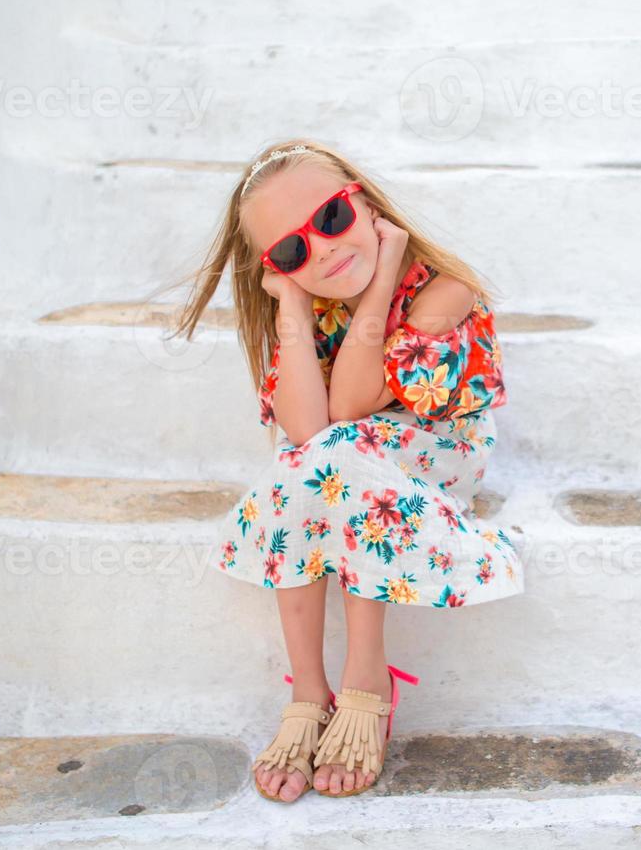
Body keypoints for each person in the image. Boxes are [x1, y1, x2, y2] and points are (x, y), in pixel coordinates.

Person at [172, 139, 522, 801]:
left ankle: (367, 678)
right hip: (342, 462)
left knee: (332, 455)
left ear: (362, 198)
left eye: (329, 219)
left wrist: (388, 267)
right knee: (308, 459)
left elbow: (356, 402)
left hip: (434, 455)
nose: (323, 249)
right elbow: (305, 428)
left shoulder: (445, 288)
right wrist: (294, 307)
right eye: (291, 250)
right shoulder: (307, 301)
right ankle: (309, 689)